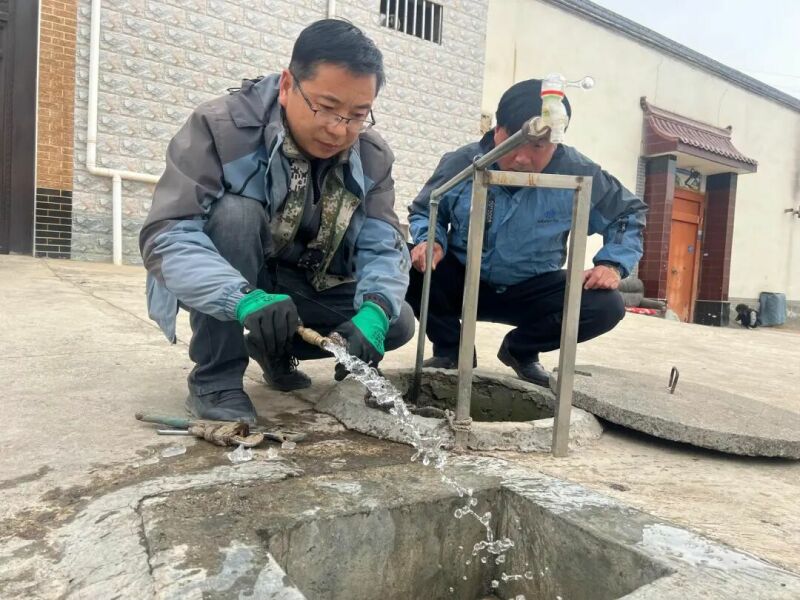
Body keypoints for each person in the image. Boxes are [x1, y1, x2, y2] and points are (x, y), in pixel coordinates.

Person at [140, 19, 414, 424]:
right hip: (237, 280)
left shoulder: (372, 156)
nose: (339, 129)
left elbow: (383, 243)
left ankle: (274, 348)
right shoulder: (221, 127)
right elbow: (167, 235)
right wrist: (241, 298)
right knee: (234, 215)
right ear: (287, 86)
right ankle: (215, 379)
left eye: (358, 115)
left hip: (305, 282)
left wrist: (375, 309)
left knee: (396, 319)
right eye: (326, 108)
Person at [406, 78, 647, 387]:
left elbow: (628, 213)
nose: (522, 158)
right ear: (497, 131)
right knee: (402, 260)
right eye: (513, 142)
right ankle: (451, 349)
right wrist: (431, 240)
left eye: (537, 146)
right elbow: (426, 209)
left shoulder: (579, 173)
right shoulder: (462, 163)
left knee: (607, 305)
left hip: (532, 289)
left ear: (556, 140)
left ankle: (521, 350)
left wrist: (612, 264)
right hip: (463, 281)